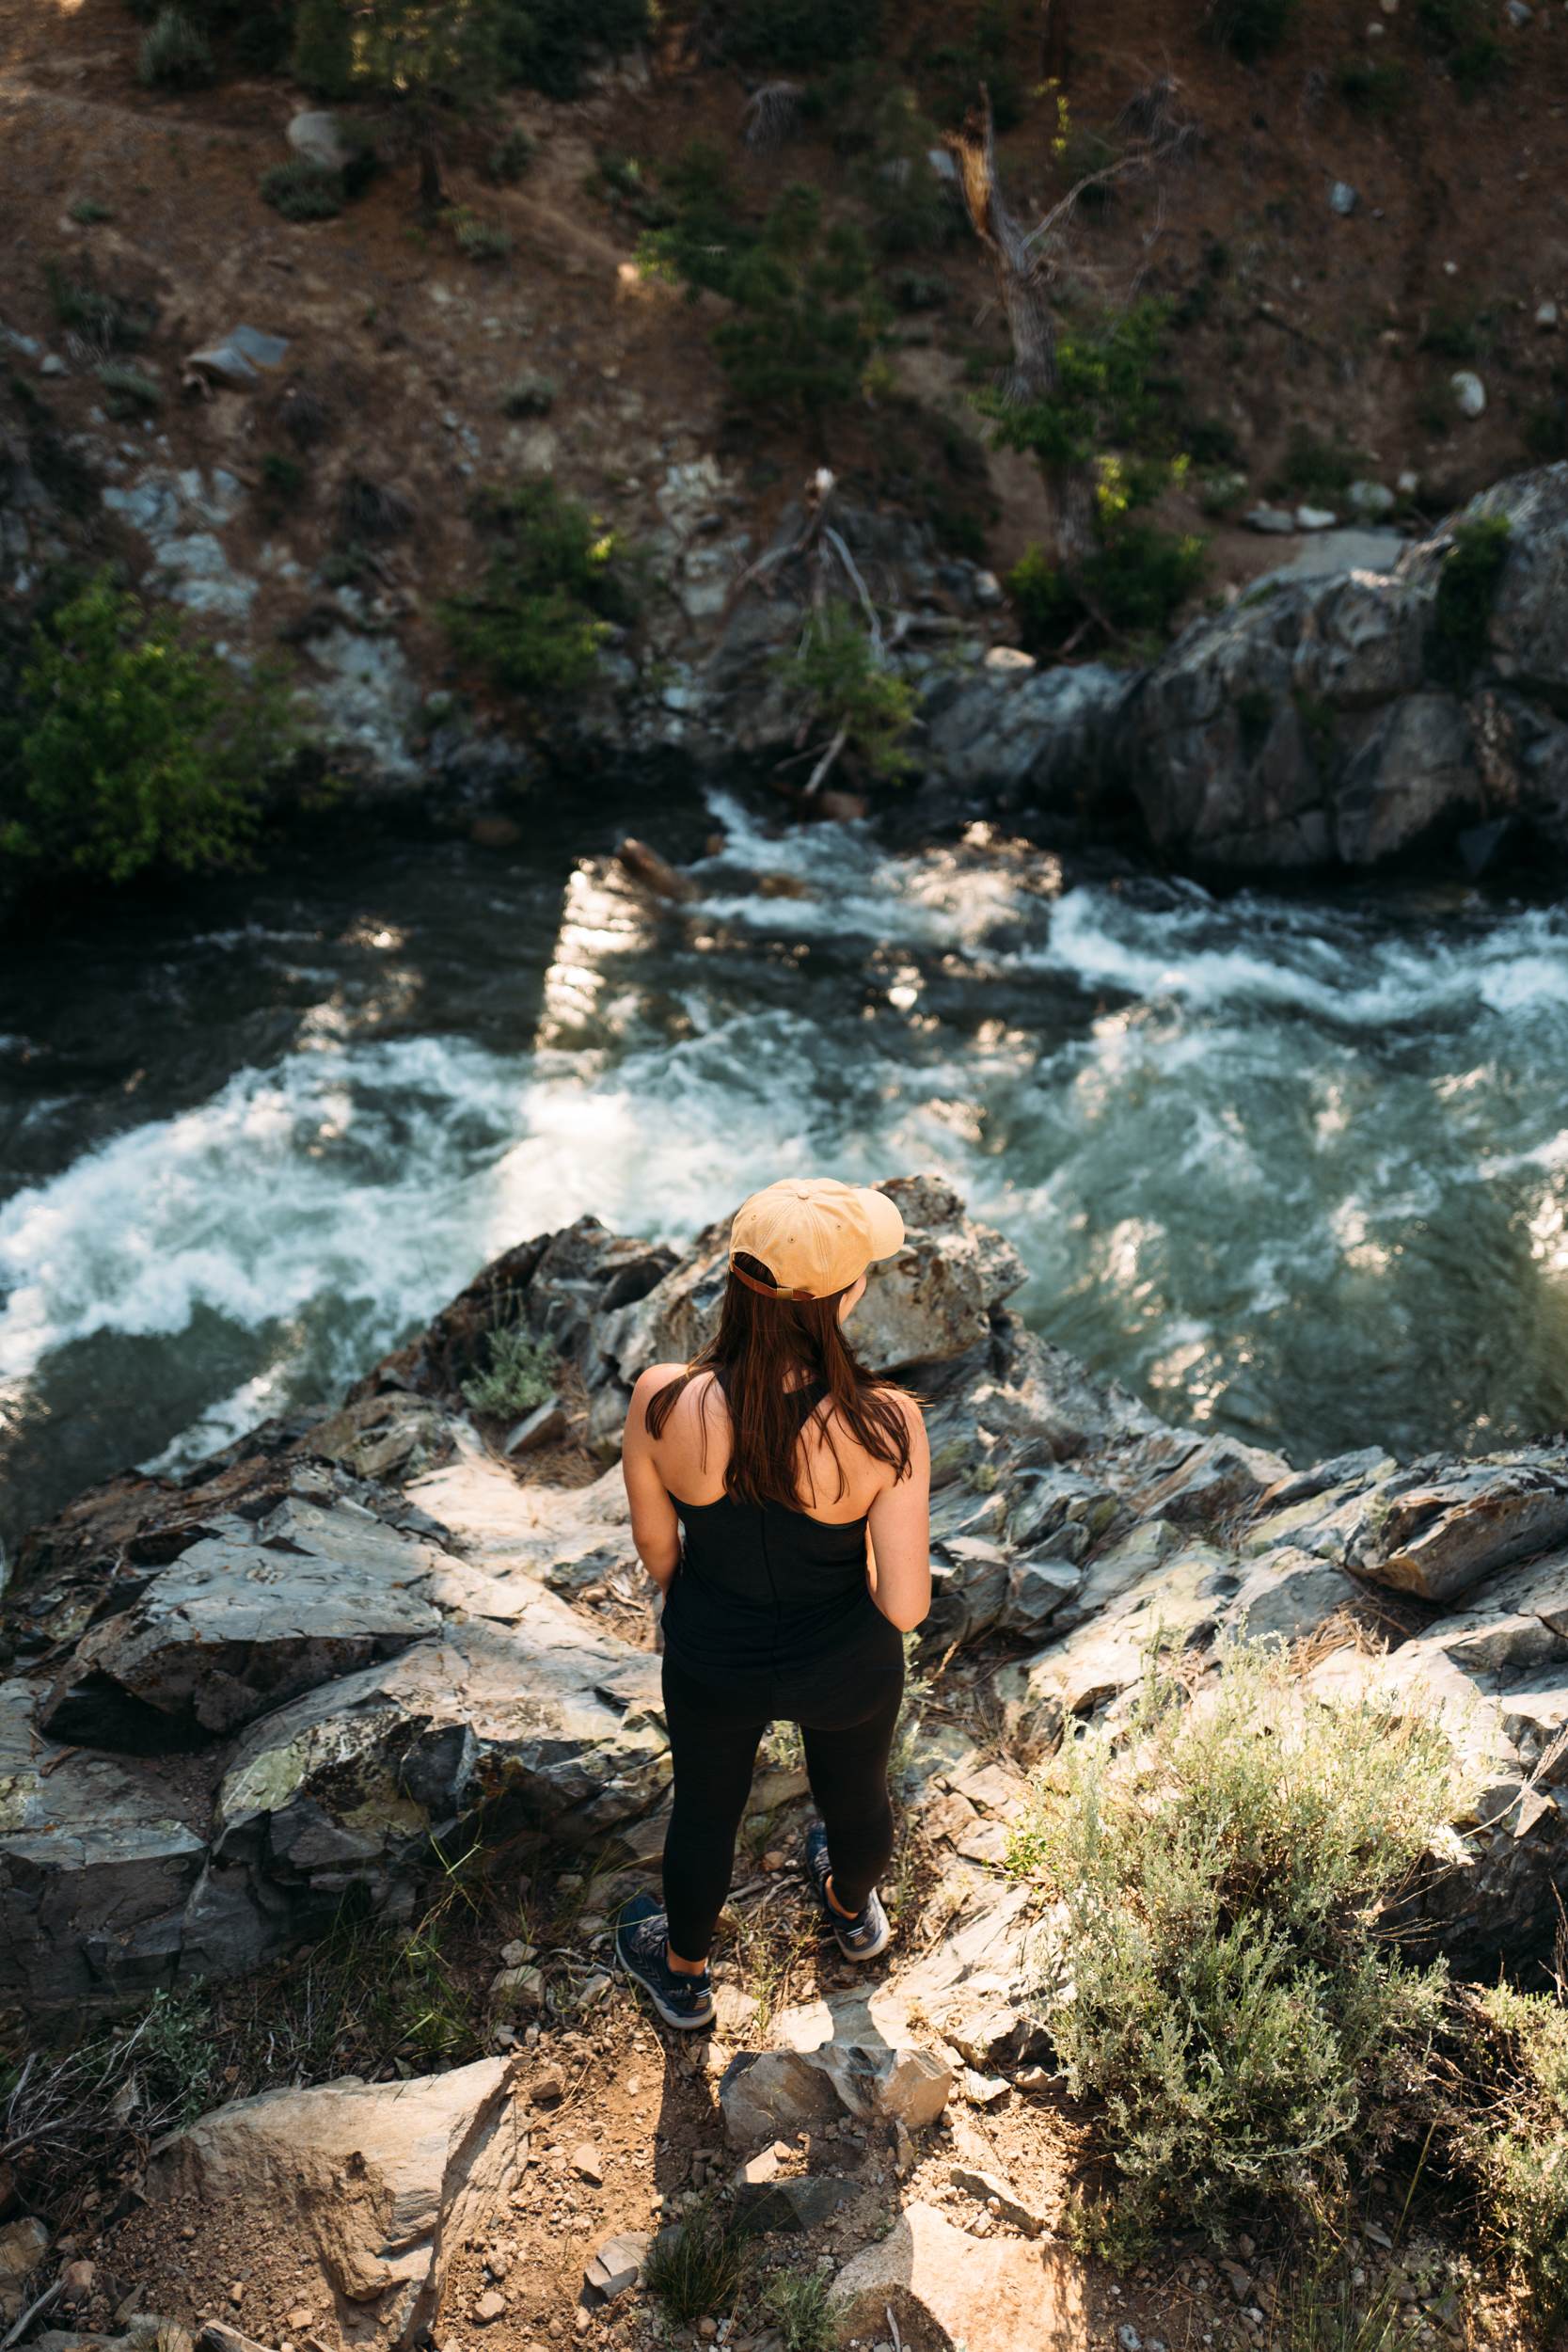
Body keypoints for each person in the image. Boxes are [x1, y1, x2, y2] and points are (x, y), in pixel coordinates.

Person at [613, 1176, 931, 2030]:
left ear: (734, 1280)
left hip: (714, 1653)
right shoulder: (887, 1424)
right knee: (857, 1798)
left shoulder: (662, 1398)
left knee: (706, 1811)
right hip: (845, 1664)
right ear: (843, 1295)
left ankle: (682, 1976)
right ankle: (850, 1907)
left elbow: (655, 1551)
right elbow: (904, 1606)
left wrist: (705, 1607)